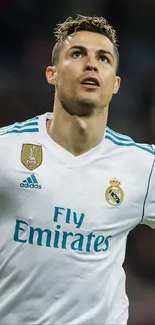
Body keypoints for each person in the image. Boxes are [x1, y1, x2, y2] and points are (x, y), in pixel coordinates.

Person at [0, 14, 155, 325]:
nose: (91, 64)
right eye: (77, 54)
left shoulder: (143, 166)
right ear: (52, 74)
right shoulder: (5, 150)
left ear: (116, 84)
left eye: (103, 58)